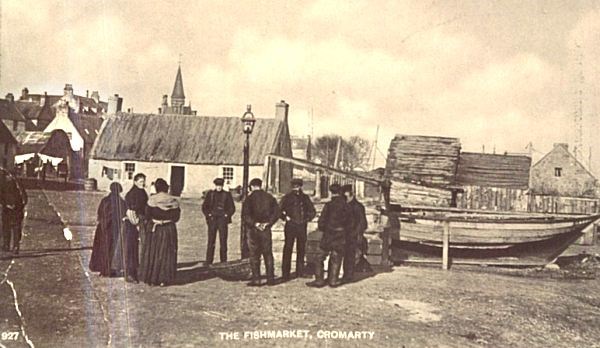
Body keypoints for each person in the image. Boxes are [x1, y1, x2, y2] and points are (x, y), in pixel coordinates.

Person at [139, 178, 180, 286]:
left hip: (155, 229)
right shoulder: (173, 201)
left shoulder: (152, 200)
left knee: (153, 253)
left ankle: (152, 279)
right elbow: (176, 218)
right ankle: (164, 279)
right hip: (169, 229)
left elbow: (147, 216)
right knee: (167, 253)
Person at [308, 183, 350, 288]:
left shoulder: (328, 205)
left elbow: (321, 222)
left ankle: (319, 280)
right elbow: (351, 223)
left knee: (320, 257)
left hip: (329, 235)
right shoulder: (346, 206)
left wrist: (325, 229)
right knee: (336, 257)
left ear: (331, 192)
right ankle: (333, 280)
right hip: (341, 235)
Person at [242, 178, 280, 286]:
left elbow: (245, 215)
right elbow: (277, 212)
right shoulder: (269, 197)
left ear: (252, 186)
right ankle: (270, 279)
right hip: (265, 230)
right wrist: (268, 223)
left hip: (254, 230)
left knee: (254, 255)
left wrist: (255, 224)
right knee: (268, 254)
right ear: (260, 185)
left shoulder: (249, 199)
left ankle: (257, 279)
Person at [279, 178, 316, 279]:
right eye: (295, 186)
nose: (297, 188)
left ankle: (300, 272)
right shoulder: (287, 197)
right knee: (288, 248)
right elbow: (279, 210)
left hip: (302, 226)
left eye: (298, 186)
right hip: (290, 226)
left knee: (301, 249)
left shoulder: (305, 198)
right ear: (292, 187)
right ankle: (285, 273)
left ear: (300, 186)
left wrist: (307, 219)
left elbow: (312, 211)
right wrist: (285, 218)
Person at [89, 182, 126, 276]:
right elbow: (122, 215)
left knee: (101, 248)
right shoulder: (121, 202)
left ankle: (101, 268)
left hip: (102, 227)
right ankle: (107, 270)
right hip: (113, 228)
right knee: (111, 249)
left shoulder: (104, 200)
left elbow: (99, 213)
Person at [202, 178, 235, 265]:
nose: (219, 187)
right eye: (217, 186)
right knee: (211, 240)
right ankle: (209, 261)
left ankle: (223, 260)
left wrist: (227, 215)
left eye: (220, 186)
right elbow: (204, 207)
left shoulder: (227, 195)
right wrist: (208, 215)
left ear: (222, 186)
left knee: (223, 241)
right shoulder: (211, 194)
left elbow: (232, 208)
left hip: (222, 220)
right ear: (215, 186)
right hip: (213, 220)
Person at [124, 173, 149, 283]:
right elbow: (131, 210)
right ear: (135, 182)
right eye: (140, 181)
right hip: (134, 223)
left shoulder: (142, 192)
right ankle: (130, 273)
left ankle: (139, 271)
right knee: (133, 248)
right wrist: (137, 223)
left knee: (140, 247)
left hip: (141, 222)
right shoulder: (132, 194)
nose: (142, 183)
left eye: (143, 181)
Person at [341, 184, 368, 283]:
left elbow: (362, 223)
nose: (344, 198)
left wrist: (357, 234)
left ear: (351, 195)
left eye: (346, 196)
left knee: (350, 256)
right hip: (343, 234)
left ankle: (348, 276)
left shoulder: (358, 207)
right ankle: (342, 275)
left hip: (352, 235)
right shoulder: (344, 205)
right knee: (343, 255)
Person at [1, 171, 28, 254]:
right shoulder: (17, 182)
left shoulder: (5, 183)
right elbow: (24, 197)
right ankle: (13, 246)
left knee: (9, 226)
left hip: (11, 207)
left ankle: (9, 245)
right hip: (13, 207)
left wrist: (5, 204)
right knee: (12, 227)